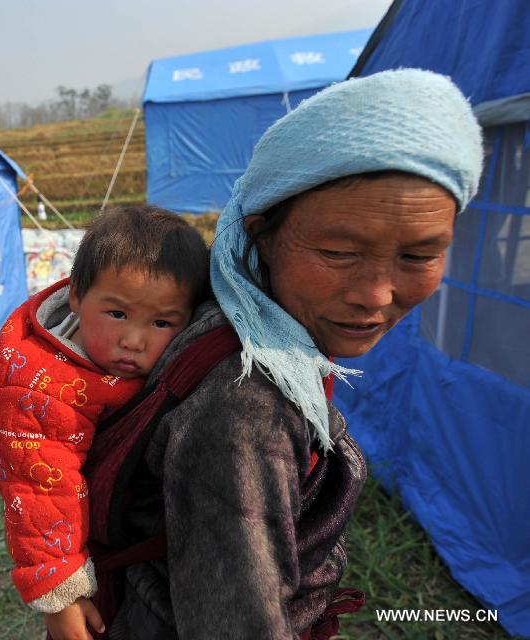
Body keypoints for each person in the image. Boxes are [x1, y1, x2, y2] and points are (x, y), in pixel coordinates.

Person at [85, 69, 484, 639]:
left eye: (420, 257)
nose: (376, 294)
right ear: (262, 234)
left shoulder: (241, 318)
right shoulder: (246, 409)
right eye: (338, 251)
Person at [0, 206, 210, 640]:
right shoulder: (39, 386)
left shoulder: (143, 354)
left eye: (162, 322)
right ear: (76, 295)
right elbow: (37, 489)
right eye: (117, 315)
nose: (134, 340)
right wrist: (60, 592)